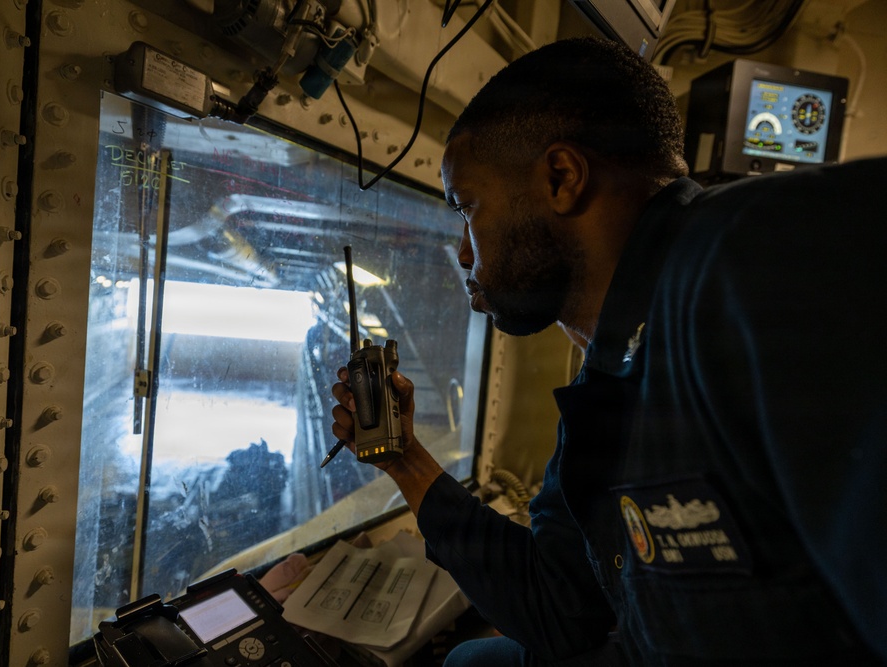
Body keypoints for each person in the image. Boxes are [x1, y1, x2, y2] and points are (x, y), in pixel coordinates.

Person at [331, 36, 887, 665]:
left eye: (469, 208)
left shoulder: (763, 258)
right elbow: (560, 606)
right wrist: (405, 461)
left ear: (561, 178)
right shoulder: (612, 375)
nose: (464, 250)